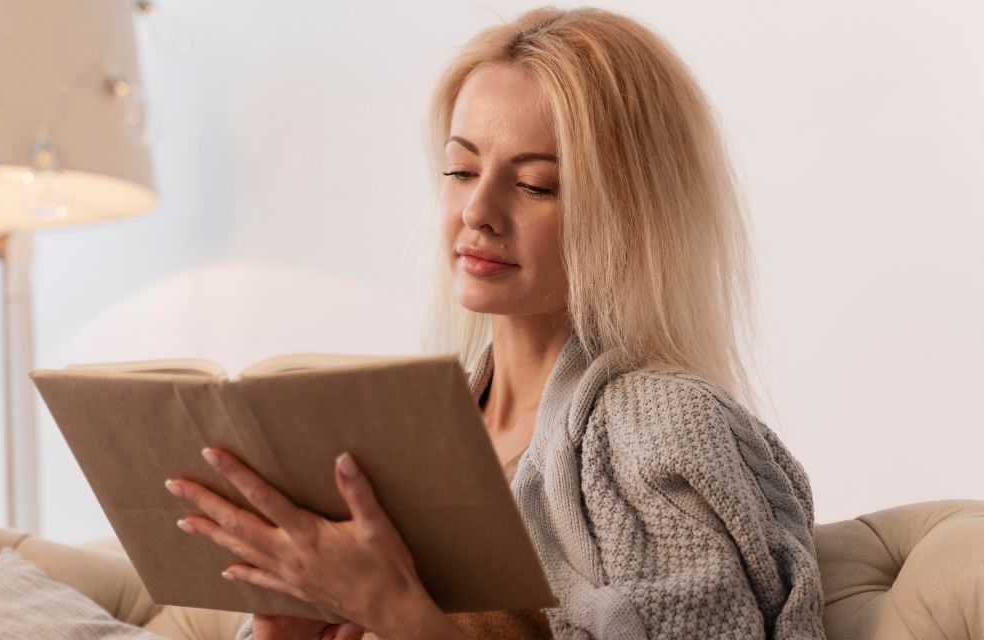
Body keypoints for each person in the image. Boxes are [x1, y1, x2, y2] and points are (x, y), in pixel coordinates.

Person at [164, 6, 826, 639]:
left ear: (629, 213)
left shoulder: (662, 424)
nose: (476, 210)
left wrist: (397, 614)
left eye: (535, 184)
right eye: (461, 169)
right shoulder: (403, 437)